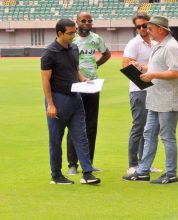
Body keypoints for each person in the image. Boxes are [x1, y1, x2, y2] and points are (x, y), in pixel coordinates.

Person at [122, 15, 178, 184]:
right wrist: (142, 67)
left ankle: (171, 173)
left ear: (160, 29)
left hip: (168, 99)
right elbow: (158, 67)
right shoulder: (160, 45)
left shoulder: (171, 47)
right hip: (156, 98)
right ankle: (143, 170)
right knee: (149, 133)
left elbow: (176, 72)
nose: (147, 31)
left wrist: (153, 74)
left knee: (167, 136)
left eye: (150, 28)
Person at [41, 18, 101, 185]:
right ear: (59, 33)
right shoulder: (49, 53)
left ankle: (87, 173)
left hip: (75, 98)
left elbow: (75, 69)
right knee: (56, 139)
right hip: (58, 99)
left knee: (81, 136)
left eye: (74, 31)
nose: (74, 35)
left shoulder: (74, 47)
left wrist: (83, 79)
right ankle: (56, 175)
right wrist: (51, 104)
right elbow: (45, 80)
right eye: (70, 33)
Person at [66, 11, 111, 175]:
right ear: (77, 22)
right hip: (77, 85)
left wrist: (96, 65)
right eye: (83, 20)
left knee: (91, 124)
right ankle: (72, 164)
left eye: (89, 21)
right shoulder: (72, 39)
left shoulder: (96, 39)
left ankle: (89, 162)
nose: (87, 23)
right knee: (74, 124)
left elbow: (107, 54)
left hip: (92, 84)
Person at [122, 12, 162, 175]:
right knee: (138, 127)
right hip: (138, 91)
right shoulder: (134, 43)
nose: (141, 29)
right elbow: (126, 65)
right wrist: (143, 80)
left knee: (150, 128)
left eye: (144, 25)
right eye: (138, 26)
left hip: (153, 90)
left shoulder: (153, 42)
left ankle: (145, 162)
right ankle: (133, 164)